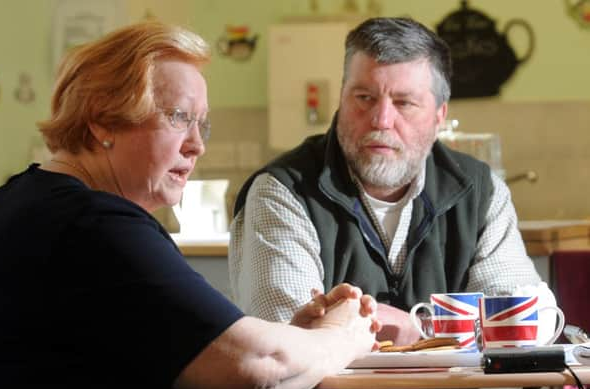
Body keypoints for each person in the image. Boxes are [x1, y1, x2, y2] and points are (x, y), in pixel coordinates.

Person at [0, 21, 387, 389]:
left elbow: (183, 353)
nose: (197, 145)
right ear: (103, 120)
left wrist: (298, 340)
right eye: (179, 117)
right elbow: (258, 369)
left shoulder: (19, 202)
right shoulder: (95, 226)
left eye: (202, 123)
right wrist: (342, 337)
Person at [230, 17, 557, 352]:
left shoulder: (479, 192)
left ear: (439, 115)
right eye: (364, 97)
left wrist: (417, 329)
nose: (381, 120)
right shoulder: (284, 191)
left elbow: (520, 321)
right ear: (342, 98)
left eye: (404, 102)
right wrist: (445, 334)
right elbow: (288, 341)